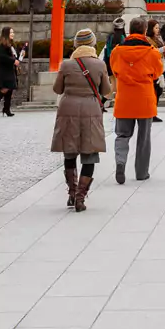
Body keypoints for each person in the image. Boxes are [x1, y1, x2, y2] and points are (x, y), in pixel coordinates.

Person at [50, 28, 108, 210]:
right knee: (89, 154)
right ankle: (80, 198)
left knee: (70, 151)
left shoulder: (66, 65)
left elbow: (57, 89)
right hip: (91, 109)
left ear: (75, 44)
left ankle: (72, 192)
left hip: (68, 109)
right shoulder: (99, 65)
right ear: (92, 44)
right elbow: (106, 91)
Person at [105, 19, 163, 184]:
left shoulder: (117, 51)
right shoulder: (151, 52)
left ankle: (121, 163)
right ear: (145, 30)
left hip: (124, 98)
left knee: (122, 135)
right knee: (144, 138)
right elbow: (157, 72)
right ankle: (141, 172)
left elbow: (115, 70)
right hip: (144, 97)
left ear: (129, 31)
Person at [0, 26, 18, 116]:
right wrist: (13, 61)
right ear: (6, 34)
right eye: (11, 32)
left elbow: (14, 55)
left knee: (10, 89)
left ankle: (6, 109)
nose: (13, 34)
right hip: (3, 71)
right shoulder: (1, 45)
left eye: (13, 32)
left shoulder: (12, 44)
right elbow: (1, 57)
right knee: (5, 88)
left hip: (10, 70)